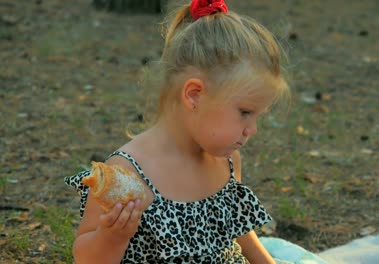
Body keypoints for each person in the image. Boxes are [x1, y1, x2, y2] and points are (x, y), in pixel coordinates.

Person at [65, 0, 289, 262]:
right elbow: (86, 258)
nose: (252, 129)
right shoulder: (126, 175)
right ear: (194, 95)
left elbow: (240, 231)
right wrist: (111, 237)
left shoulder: (225, 160)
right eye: (245, 113)